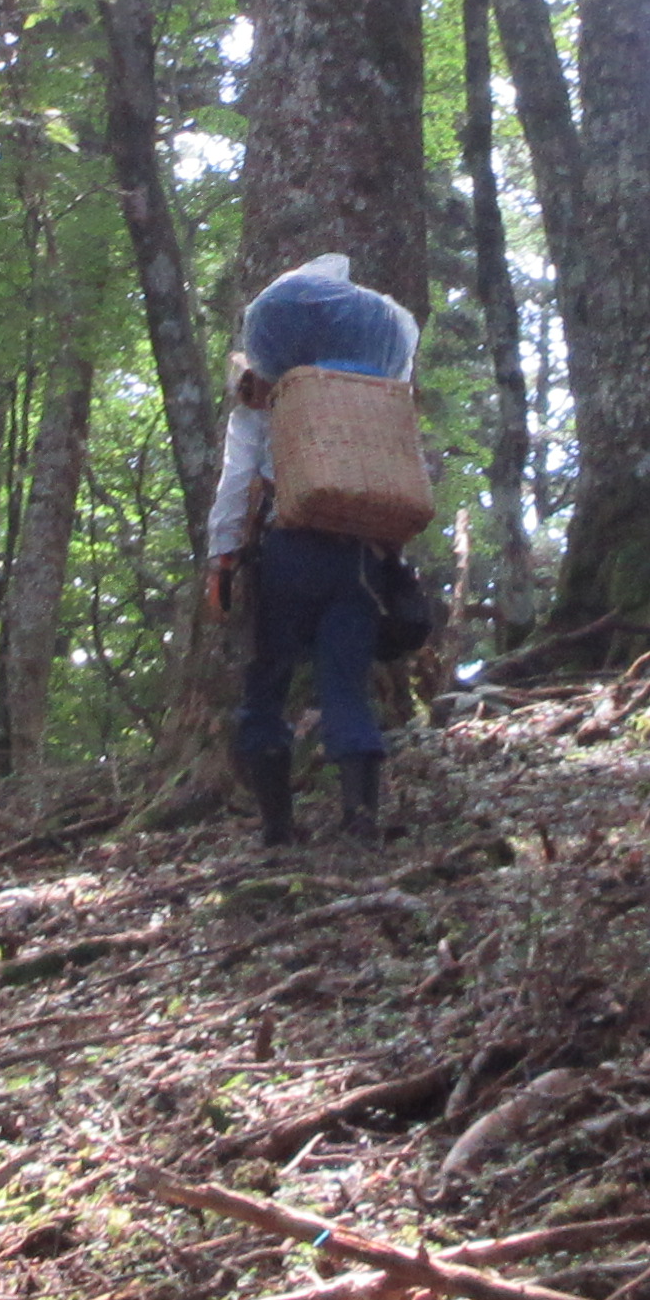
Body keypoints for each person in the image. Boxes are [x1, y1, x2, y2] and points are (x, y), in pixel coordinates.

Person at [201, 252, 419, 854]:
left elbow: (236, 482)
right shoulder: (374, 390)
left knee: (265, 685)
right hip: (358, 556)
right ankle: (360, 822)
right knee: (345, 687)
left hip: (286, 552)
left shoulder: (261, 396)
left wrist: (221, 559)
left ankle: (276, 830)